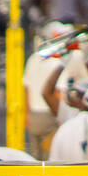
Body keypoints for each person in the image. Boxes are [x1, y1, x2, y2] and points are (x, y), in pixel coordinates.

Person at [22, 22, 70, 158]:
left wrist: (26, 115)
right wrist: (64, 118)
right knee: (51, 159)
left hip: (34, 116)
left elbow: (26, 88)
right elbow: (58, 94)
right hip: (50, 117)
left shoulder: (33, 59)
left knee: (35, 158)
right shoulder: (58, 64)